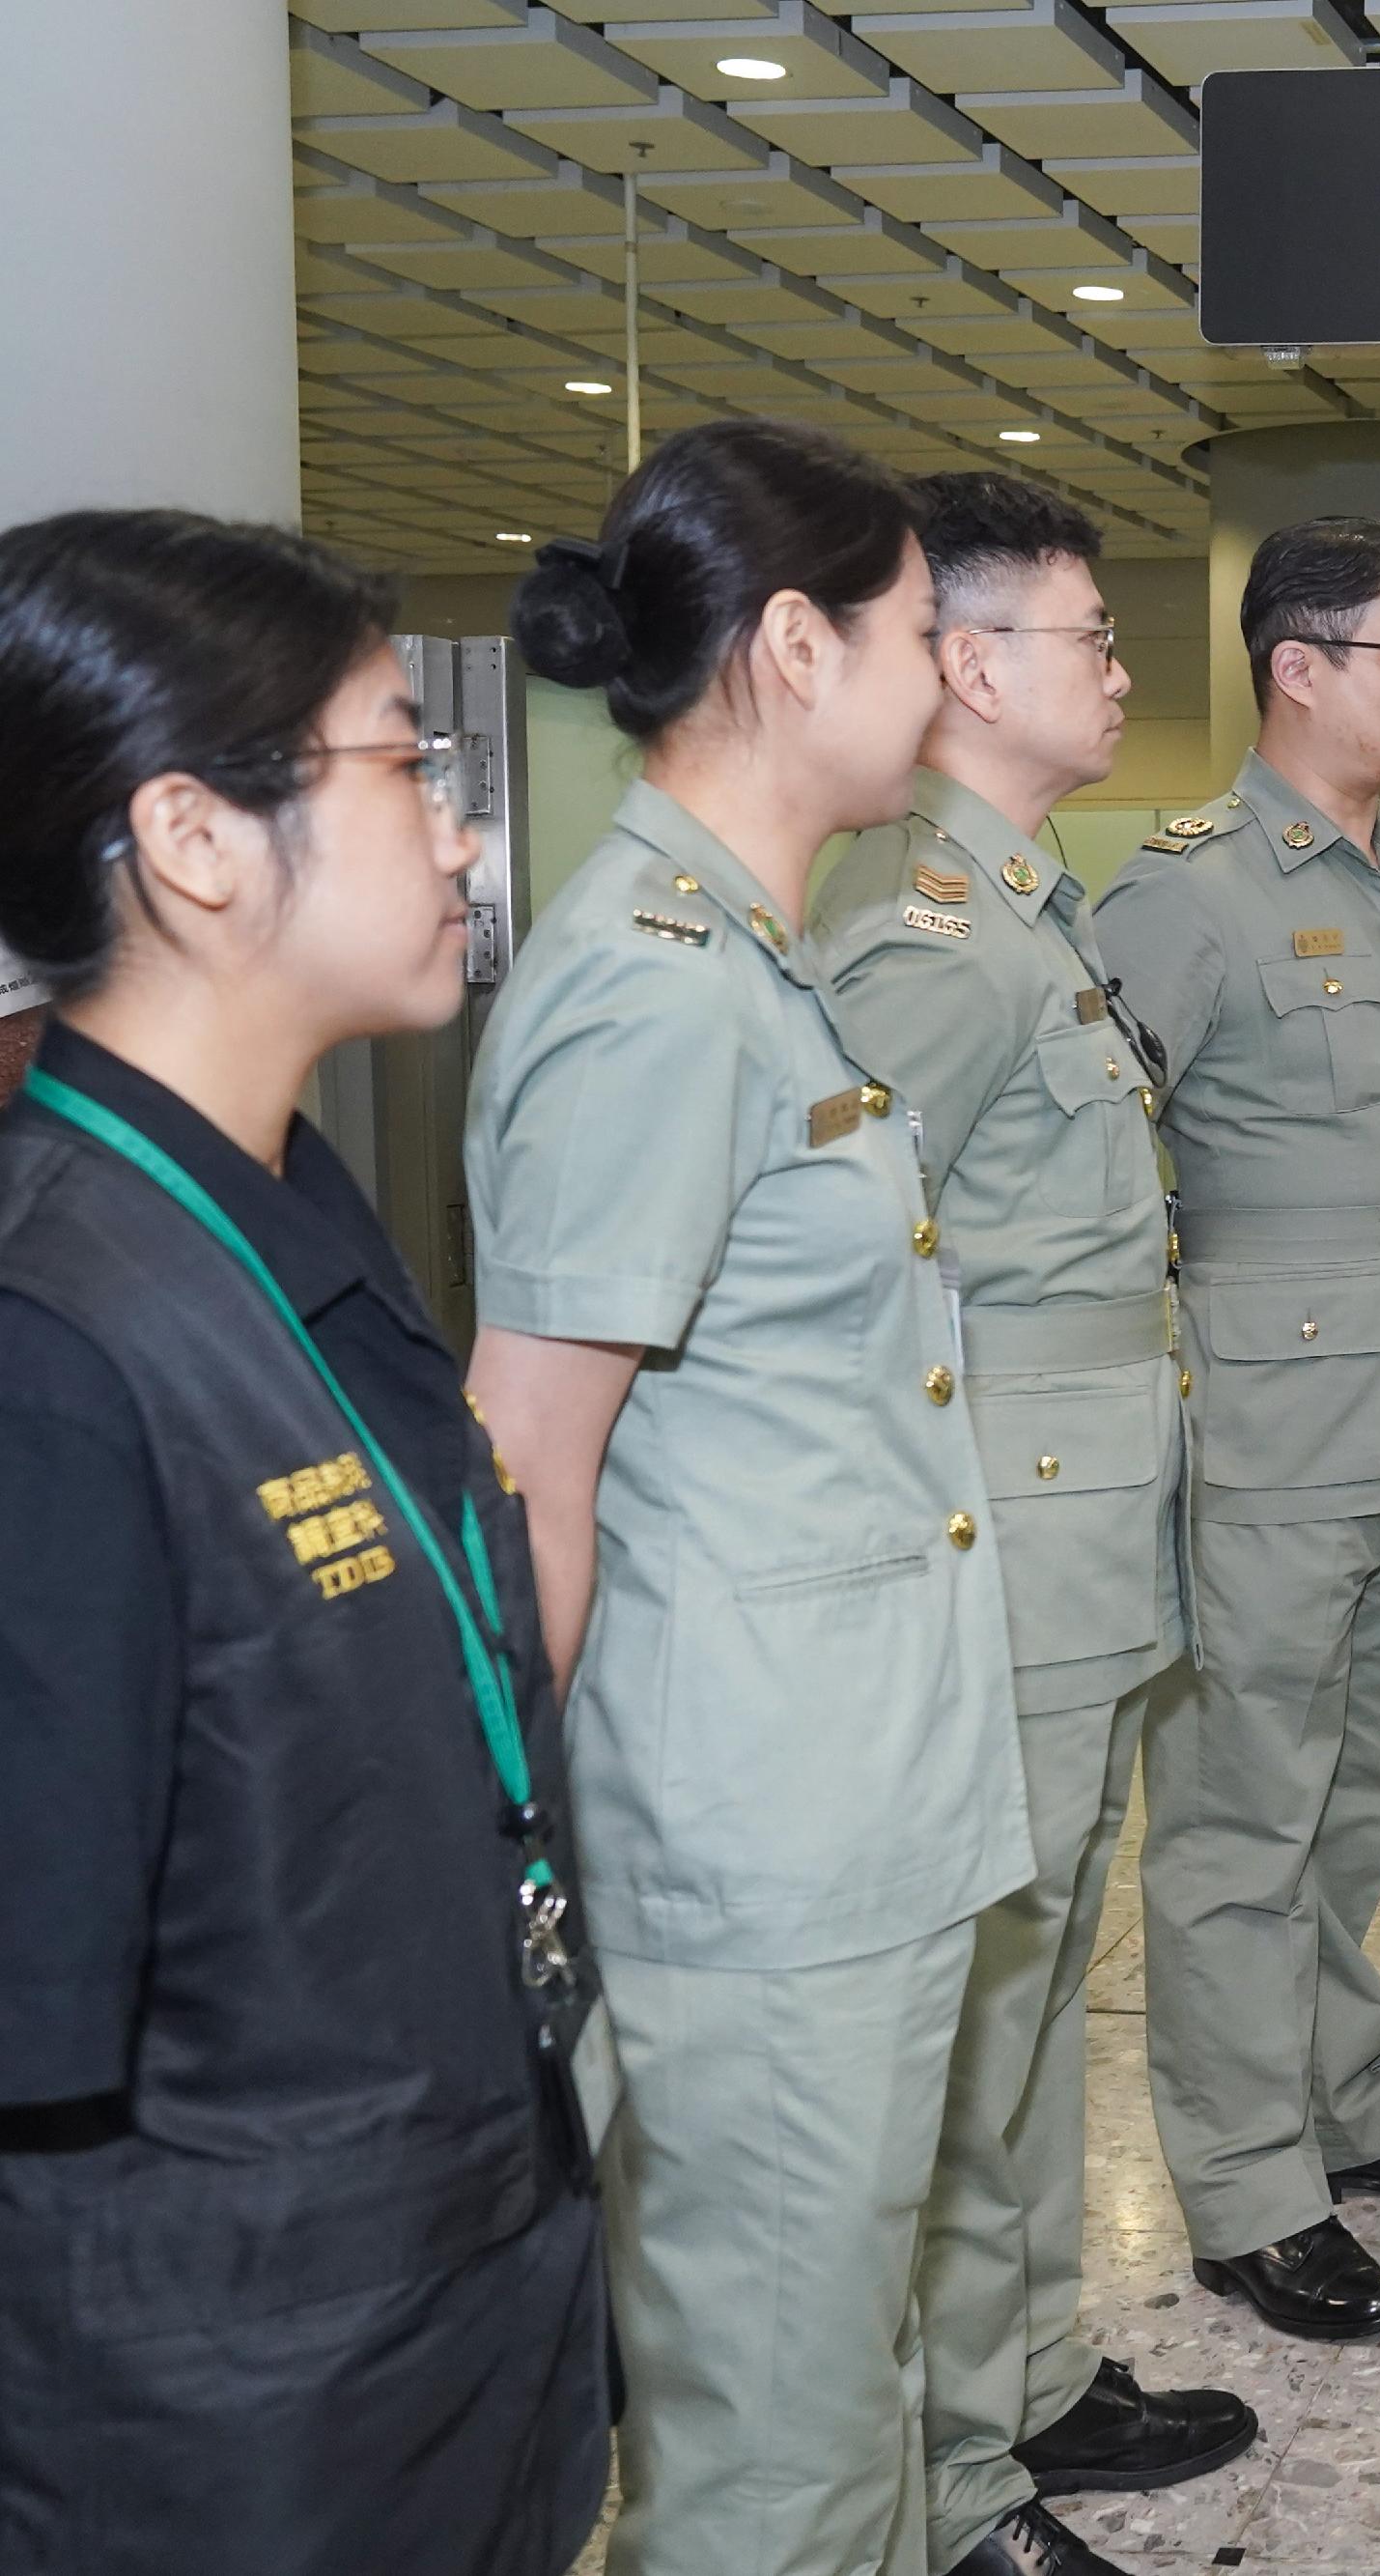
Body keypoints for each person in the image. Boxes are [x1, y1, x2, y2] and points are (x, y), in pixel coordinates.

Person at [0, 512, 607, 2576]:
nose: (457, 835)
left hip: (438, 2302)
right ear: (195, 836)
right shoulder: (55, 1337)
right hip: (225, 2410)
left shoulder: (288, 1215)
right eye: (399, 761)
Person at [463, 420, 1036, 2576]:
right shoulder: (648, 989)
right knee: (767, 2451)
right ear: (794, 648)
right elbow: (532, 1461)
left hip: (848, 1807)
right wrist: (501, 1850)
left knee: (839, 2376)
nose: (940, 681)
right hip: (756, 1840)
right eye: (912, 636)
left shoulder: (761, 951)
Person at [804, 475, 1253, 2576]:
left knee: (1043, 1977)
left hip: (1078, 1545)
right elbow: (815, 1267)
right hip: (1000, 1546)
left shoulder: (1027, 905)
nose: (1124, 669)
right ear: (971, 666)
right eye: (1092, 633)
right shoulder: (930, 939)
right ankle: (952, 2480)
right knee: (981, 2018)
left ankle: (1034, 2377)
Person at [1093, 515, 1380, 2346]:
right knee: (1235, 1822)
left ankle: (1349, 2098)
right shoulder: (1180, 892)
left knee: (1359, 1794)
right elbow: (1087, 1170)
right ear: (1300, 667)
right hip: (1273, 1430)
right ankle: (1247, 2188)